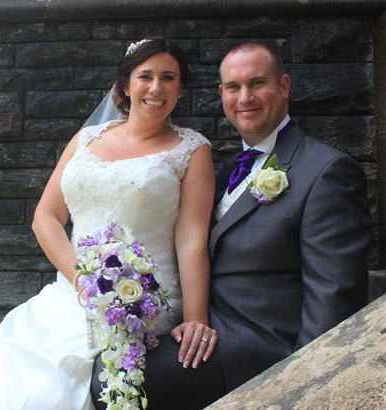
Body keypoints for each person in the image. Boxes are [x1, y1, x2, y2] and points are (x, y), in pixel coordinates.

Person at [0, 37, 217, 410]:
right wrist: (84, 284)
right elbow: (46, 217)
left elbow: (192, 238)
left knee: (45, 391)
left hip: (140, 302)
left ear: (180, 88)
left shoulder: (191, 149)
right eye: (145, 76)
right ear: (125, 84)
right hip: (70, 292)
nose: (156, 87)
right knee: (3, 366)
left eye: (168, 77)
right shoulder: (85, 139)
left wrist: (197, 317)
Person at [102, 42, 372, 409]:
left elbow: (335, 297)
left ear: (284, 86)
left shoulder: (327, 172)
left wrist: (301, 383)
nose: (245, 97)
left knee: (119, 383)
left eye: (257, 83)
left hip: (261, 350)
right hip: (205, 333)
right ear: (222, 94)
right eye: (233, 87)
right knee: (106, 361)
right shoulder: (228, 171)